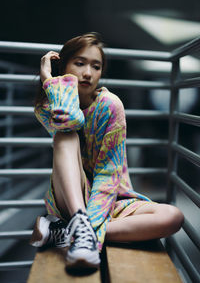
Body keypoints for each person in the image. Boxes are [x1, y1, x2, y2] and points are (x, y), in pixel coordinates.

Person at [30, 32, 184, 270]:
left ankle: (69, 231)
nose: (88, 73)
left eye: (96, 66)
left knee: (173, 217)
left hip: (111, 197)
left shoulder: (110, 105)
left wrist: (91, 223)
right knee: (66, 135)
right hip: (72, 198)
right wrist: (49, 78)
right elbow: (68, 120)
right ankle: (78, 225)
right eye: (79, 63)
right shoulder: (47, 106)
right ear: (64, 64)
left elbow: (109, 173)